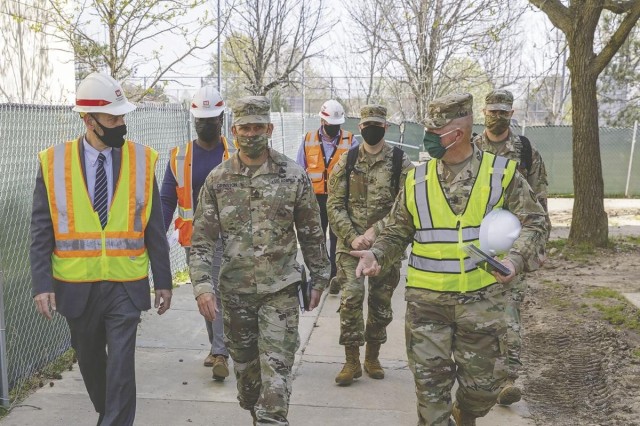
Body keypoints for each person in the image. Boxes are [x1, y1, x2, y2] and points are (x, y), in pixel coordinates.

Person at [350, 93, 548, 425]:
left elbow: (536, 221)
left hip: (482, 303)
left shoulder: (502, 173)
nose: (429, 136)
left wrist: (515, 260)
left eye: (436, 129)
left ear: (460, 129)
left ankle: (467, 412)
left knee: (484, 389)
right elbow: (399, 227)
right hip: (427, 306)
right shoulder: (417, 178)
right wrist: (377, 253)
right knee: (430, 395)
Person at [30, 72, 173, 426]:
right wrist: (42, 283)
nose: (120, 124)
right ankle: (109, 415)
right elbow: (41, 231)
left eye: (122, 116)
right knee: (92, 361)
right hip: (76, 286)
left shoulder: (143, 160)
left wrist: (164, 280)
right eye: (112, 117)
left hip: (126, 284)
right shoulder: (53, 162)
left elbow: (154, 228)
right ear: (88, 119)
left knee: (122, 364)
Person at [189, 96, 330, 425]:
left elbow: (311, 232)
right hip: (235, 296)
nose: (251, 134)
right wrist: (202, 286)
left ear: (270, 128)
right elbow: (202, 240)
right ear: (234, 130)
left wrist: (320, 278)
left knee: (275, 390)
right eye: (244, 128)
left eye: (258, 127)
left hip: (279, 291)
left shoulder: (292, 176)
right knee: (250, 389)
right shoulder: (218, 180)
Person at [473, 89, 551, 406]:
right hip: (477, 244)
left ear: (512, 113)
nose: (497, 116)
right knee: (476, 312)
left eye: (503, 111)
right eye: (493, 110)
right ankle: (478, 374)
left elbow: (541, 204)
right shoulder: (470, 149)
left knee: (509, 312)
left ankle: (508, 380)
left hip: (513, 245)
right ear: (483, 112)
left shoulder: (526, 150)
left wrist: (538, 248)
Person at [327, 105, 413, 386]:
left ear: (385, 127)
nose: (371, 129)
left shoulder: (401, 162)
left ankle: (372, 355)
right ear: (360, 127)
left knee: (380, 303)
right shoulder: (347, 161)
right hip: (350, 246)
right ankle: (351, 360)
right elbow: (334, 204)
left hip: (385, 247)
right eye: (367, 125)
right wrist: (353, 236)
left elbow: (406, 206)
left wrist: (374, 233)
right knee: (351, 298)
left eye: (377, 124)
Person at [160, 86, 231, 380]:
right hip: (194, 238)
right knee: (204, 293)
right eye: (200, 119)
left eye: (211, 119)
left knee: (218, 291)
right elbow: (166, 199)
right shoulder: (180, 157)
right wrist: (156, 235)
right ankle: (217, 347)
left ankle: (220, 351)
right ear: (193, 119)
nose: (205, 124)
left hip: (227, 238)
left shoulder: (234, 153)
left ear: (222, 118)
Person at [296, 99, 358, 294]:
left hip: (340, 198)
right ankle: (319, 273)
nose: (334, 128)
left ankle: (334, 276)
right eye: (331, 124)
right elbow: (300, 169)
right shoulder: (308, 139)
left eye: (337, 124)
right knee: (317, 237)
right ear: (322, 121)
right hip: (315, 198)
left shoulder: (350, 140)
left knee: (337, 237)